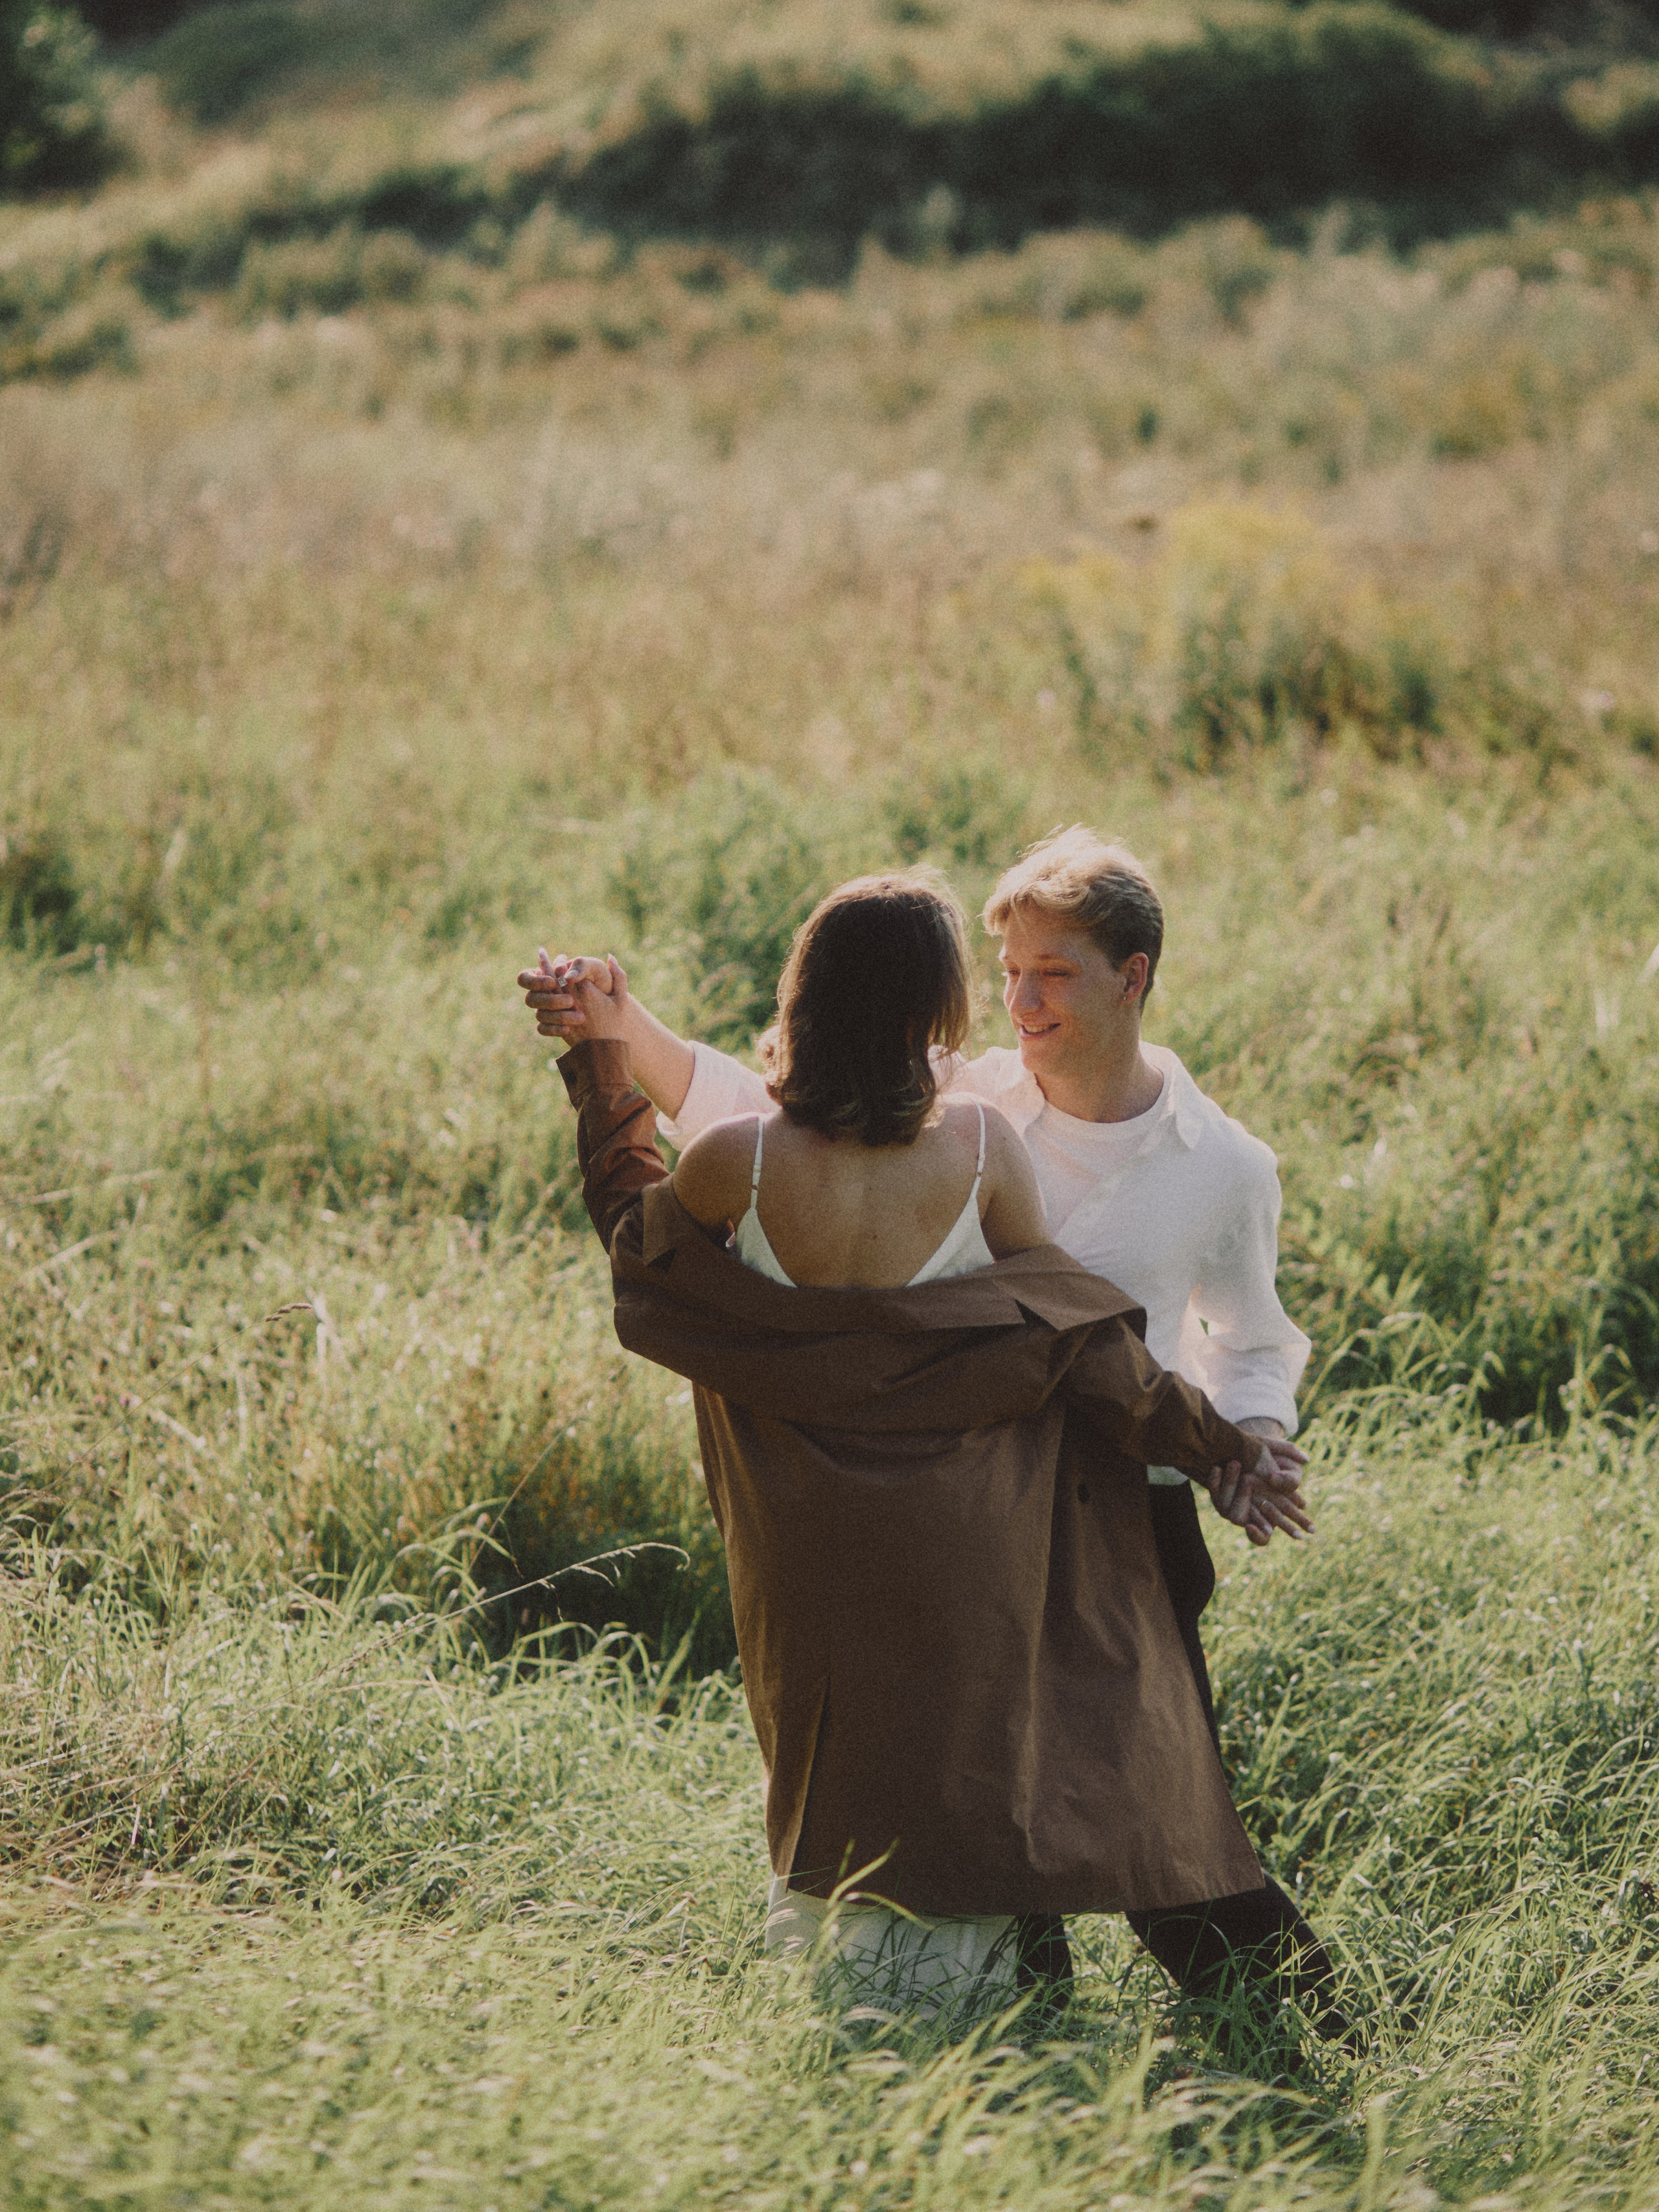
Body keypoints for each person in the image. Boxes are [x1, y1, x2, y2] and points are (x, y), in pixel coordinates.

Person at [522, 828, 1350, 2045]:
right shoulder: (975, 1122)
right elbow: (1085, 1337)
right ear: (942, 1007)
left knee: (1160, 1802)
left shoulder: (1223, 1165)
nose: (1019, 1003)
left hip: (1108, 1519)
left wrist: (1242, 1441)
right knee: (991, 1804)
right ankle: (1044, 2044)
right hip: (975, 1529)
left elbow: (665, 1204)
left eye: (1051, 975)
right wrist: (623, 1028)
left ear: (1136, 974)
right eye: (1002, 974)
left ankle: (1309, 2028)